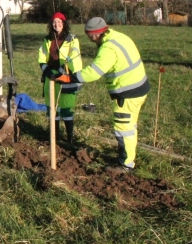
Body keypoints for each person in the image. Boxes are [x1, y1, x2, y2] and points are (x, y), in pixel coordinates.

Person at [53, 17, 150, 173]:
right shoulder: (119, 37)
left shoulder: (108, 48)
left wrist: (70, 77)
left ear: (95, 34)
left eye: (90, 37)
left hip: (128, 93)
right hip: (139, 87)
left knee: (123, 129)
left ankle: (125, 165)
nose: (91, 41)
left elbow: (94, 72)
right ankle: (127, 158)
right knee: (129, 127)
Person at [38, 12, 82, 144]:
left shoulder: (72, 39)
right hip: (50, 77)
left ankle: (70, 139)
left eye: (59, 22)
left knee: (66, 107)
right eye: (54, 22)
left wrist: (62, 72)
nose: (56, 24)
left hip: (66, 77)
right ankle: (54, 138)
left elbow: (74, 58)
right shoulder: (47, 40)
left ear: (64, 24)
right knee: (52, 108)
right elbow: (42, 58)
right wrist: (48, 73)